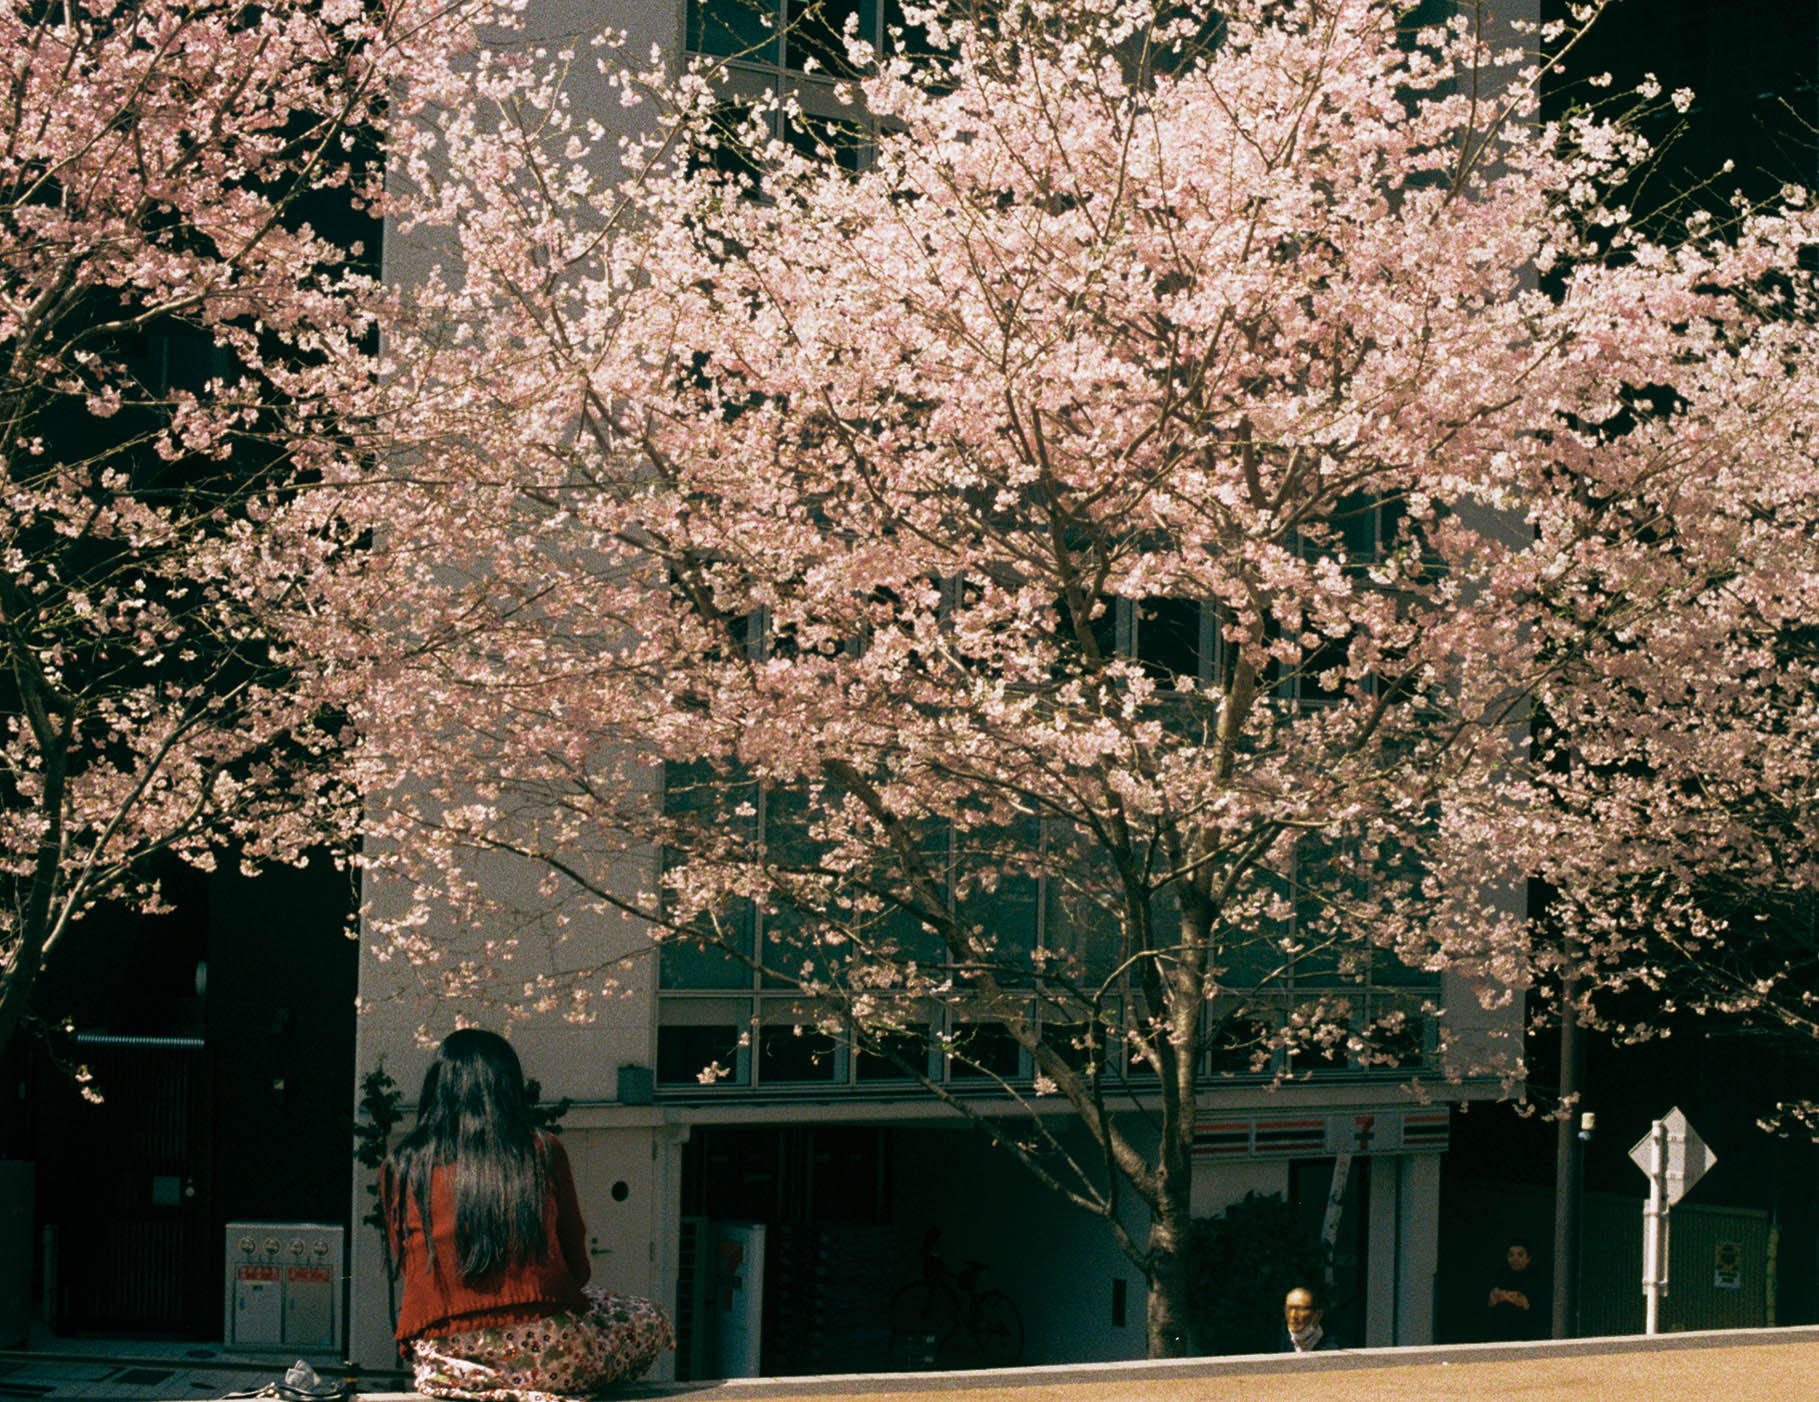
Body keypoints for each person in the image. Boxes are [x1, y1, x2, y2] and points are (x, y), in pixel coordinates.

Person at [382, 1029, 674, 1399]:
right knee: (648, 1318)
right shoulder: (541, 1150)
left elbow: (410, 1263)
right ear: (509, 1087)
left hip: (446, 1363)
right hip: (549, 1358)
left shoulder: (403, 1164)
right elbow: (577, 1266)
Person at [1486, 1236, 1548, 1342]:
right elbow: (1491, 1303)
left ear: (1528, 1258)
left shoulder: (1536, 1281)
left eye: (1520, 1255)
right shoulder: (1500, 1277)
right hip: (1500, 1337)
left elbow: (1531, 1307)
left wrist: (1509, 1297)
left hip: (1526, 1337)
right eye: (1511, 1255)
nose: (1515, 1259)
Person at [1280, 1285, 1338, 1352]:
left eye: (1300, 1309)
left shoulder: (1334, 1348)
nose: (1293, 1315)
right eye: (1289, 1308)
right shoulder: (1279, 1345)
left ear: (1318, 1315)